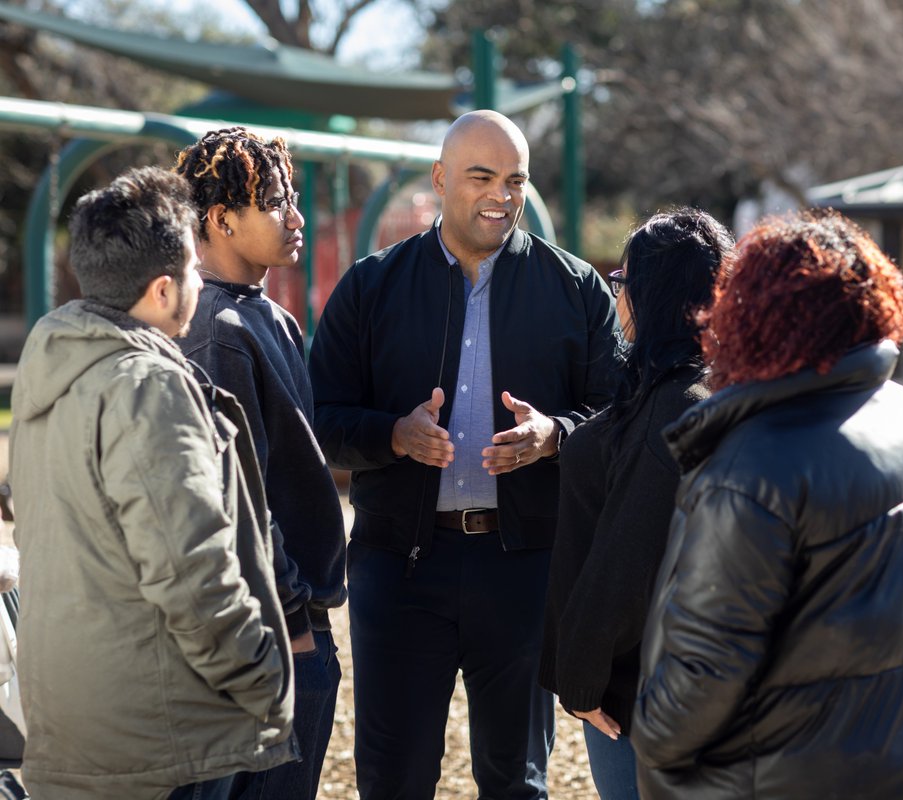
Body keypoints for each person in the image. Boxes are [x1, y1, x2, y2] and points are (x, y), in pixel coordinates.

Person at [309, 110, 621, 799]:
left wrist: (556, 436)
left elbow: (617, 418)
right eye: (482, 176)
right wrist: (392, 434)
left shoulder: (576, 290)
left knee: (518, 781)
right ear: (441, 178)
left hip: (526, 569)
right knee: (394, 779)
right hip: (400, 570)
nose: (500, 195)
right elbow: (317, 415)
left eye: (515, 180)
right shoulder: (370, 286)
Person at [632, 209, 903, 799]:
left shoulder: (753, 462)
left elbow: (707, 664)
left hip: (780, 777)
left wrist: (651, 741)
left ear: (753, 313)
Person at [6, 167, 294, 799]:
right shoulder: (151, 388)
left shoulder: (49, 373)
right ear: (163, 290)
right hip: (163, 738)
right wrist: (263, 674)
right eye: (193, 270)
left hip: (73, 723)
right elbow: (192, 571)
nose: (200, 282)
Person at [175, 127, 347, 799]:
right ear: (219, 219)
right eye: (276, 201)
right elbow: (237, 499)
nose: (296, 217)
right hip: (270, 635)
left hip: (298, 624)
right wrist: (297, 624)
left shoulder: (272, 320)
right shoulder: (218, 333)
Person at [539, 208, 734, 799]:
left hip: (637, 694)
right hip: (691, 683)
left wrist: (579, 681)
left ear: (652, 296)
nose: (616, 295)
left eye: (623, 282)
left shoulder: (670, 411)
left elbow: (624, 562)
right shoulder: (709, 389)